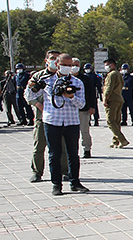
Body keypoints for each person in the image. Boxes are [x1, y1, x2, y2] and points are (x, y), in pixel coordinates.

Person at [26, 53, 88, 196]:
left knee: (73, 153)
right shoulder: (47, 80)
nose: (67, 67)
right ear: (57, 65)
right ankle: (56, 184)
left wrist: (71, 96)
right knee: (54, 154)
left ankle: (75, 181)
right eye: (64, 65)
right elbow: (30, 97)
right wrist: (31, 86)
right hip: (52, 121)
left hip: (71, 121)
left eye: (70, 65)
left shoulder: (77, 83)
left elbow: (82, 104)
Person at [28, 50, 64, 182]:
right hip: (41, 117)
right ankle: (37, 172)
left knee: (62, 146)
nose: (54, 60)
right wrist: (37, 104)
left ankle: (64, 171)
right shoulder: (38, 76)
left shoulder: (63, 75)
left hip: (60, 118)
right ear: (46, 61)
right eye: (52, 58)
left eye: (57, 58)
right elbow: (28, 94)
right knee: (39, 146)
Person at [73, 58, 99, 158]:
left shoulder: (85, 79)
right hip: (70, 110)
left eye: (76, 65)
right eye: (72, 65)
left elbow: (92, 94)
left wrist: (92, 107)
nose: (74, 67)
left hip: (83, 109)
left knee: (84, 131)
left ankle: (87, 149)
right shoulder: (66, 78)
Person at [102, 59, 129, 148]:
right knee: (116, 121)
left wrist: (105, 98)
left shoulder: (111, 74)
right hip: (118, 98)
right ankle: (115, 141)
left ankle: (122, 140)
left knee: (110, 120)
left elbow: (109, 88)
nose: (106, 67)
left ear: (112, 65)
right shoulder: (118, 74)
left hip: (112, 99)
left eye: (107, 65)